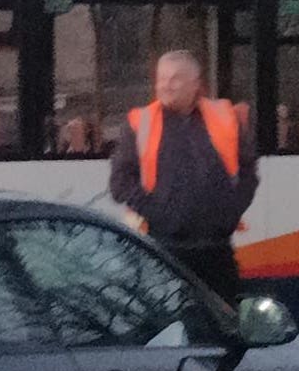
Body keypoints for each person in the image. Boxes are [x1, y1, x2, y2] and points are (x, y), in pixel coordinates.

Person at [108, 49, 258, 303]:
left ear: (196, 84)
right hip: (163, 251)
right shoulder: (139, 123)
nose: (165, 85)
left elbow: (247, 173)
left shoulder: (225, 117)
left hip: (216, 250)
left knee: (225, 327)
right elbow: (120, 182)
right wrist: (162, 215)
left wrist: (228, 214)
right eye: (161, 78)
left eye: (175, 78)